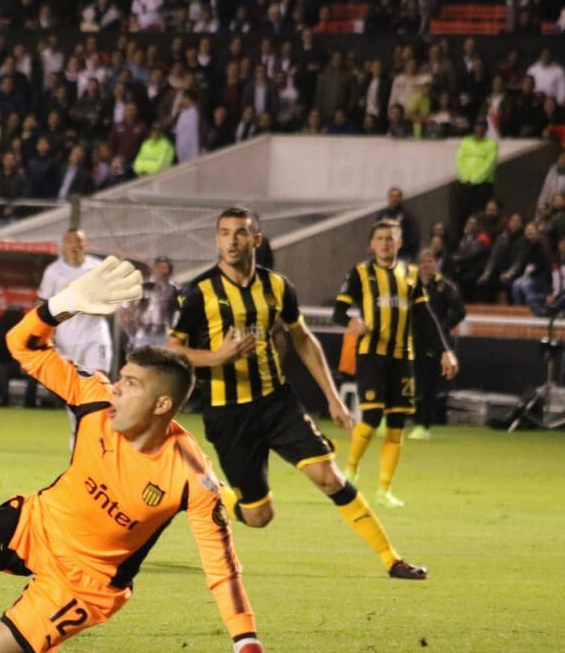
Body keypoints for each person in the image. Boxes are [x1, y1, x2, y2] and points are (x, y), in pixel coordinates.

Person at [0, 259, 302, 653]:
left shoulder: (191, 476)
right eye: (120, 379)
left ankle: (31, 633)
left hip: (84, 584)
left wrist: (249, 652)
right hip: (36, 525)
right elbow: (22, 346)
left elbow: (222, 570)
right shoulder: (94, 397)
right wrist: (64, 304)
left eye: (130, 384)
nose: (115, 388)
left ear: (162, 406)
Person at [169, 208, 428, 580]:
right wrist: (215, 356)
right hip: (229, 416)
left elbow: (303, 339)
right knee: (259, 516)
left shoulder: (277, 286)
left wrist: (334, 399)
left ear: (256, 239)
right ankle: (211, 488)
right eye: (224, 233)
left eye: (240, 233)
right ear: (217, 239)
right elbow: (172, 348)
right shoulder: (199, 292)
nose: (231, 240)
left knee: (330, 477)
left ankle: (392, 559)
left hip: (277, 404)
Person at [335, 222, 458, 507]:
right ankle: (350, 471)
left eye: (390, 238)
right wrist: (351, 321)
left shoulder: (411, 275)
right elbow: (338, 311)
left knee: (397, 423)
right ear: (371, 244)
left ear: (399, 243)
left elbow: (426, 317)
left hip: (403, 358)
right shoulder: (360, 273)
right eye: (379, 238)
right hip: (371, 354)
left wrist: (445, 351)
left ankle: (384, 491)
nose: (385, 243)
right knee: (372, 415)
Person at [37, 229, 112, 374]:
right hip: (65, 338)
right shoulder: (53, 271)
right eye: (69, 241)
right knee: (70, 385)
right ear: (63, 245)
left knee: (99, 380)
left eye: (78, 241)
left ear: (86, 244)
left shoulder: (99, 268)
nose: (74, 245)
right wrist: (43, 332)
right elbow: (42, 303)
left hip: (94, 334)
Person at [410, 248, 465, 440]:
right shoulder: (413, 286)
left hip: (436, 344)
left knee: (429, 384)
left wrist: (443, 327)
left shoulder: (444, 286)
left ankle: (424, 425)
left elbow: (459, 311)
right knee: (414, 381)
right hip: (416, 340)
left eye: (430, 261)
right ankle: (412, 420)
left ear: (436, 263)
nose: (427, 265)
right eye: (424, 262)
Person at [376, 187, 420, 263]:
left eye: (396, 196)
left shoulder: (407, 216)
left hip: (403, 255)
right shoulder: (382, 215)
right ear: (388, 198)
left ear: (400, 198)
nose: (394, 199)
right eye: (392, 196)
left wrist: (412, 255)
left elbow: (415, 236)